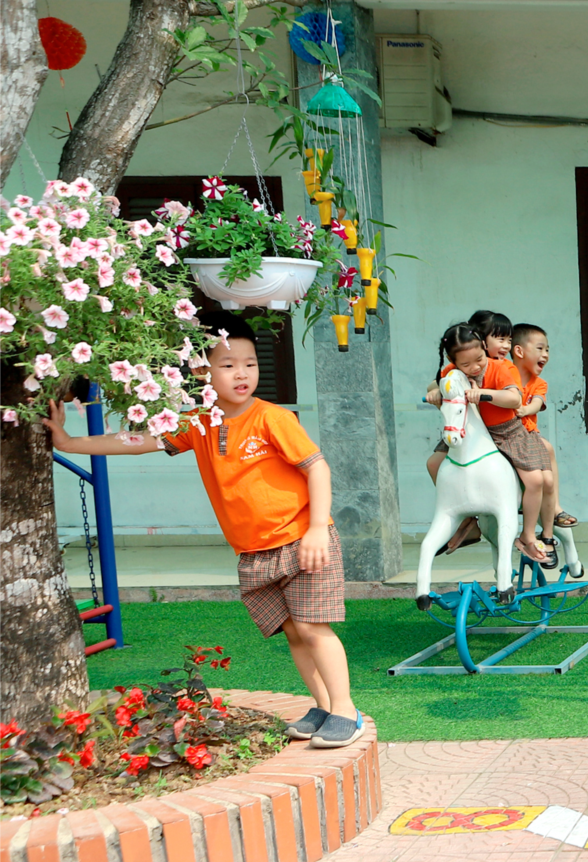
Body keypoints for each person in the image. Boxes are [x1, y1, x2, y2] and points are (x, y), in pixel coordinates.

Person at [44, 314, 363, 748]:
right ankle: (324, 706)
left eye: (250, 364)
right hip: (254, 551)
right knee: (293, 633)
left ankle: (345, 711)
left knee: (312, 628)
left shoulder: (273, 418)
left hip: (302, 540)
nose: (242, 373)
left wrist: (316, 529)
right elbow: (140, 440)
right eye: (228, 365)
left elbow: (317, 468)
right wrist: (69, 443)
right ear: (201, 371)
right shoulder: (198, 422)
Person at [425, 322, 552, 564]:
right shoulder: (454, 371)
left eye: (479, 360)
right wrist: (435, 390)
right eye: (465, 365)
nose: (474, 368)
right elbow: (438, 382)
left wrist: (484, 394)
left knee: (536, 480)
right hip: (473, 433)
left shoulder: (500, 368)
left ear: (484, 347)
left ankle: (527, 534)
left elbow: (514, 399)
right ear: (452, 361)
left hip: (505, 432)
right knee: (433, 464)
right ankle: (465, 521)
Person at [510, 323, 575, 551]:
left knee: (547, 455)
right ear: (519, 351)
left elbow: (537, 403)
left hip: (527, 434)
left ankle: (553, 514)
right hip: (505, 434)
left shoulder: (539, 383)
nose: (545, 354)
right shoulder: (503, 374)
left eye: (547, 350)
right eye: (540, 348)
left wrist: (525, 409)